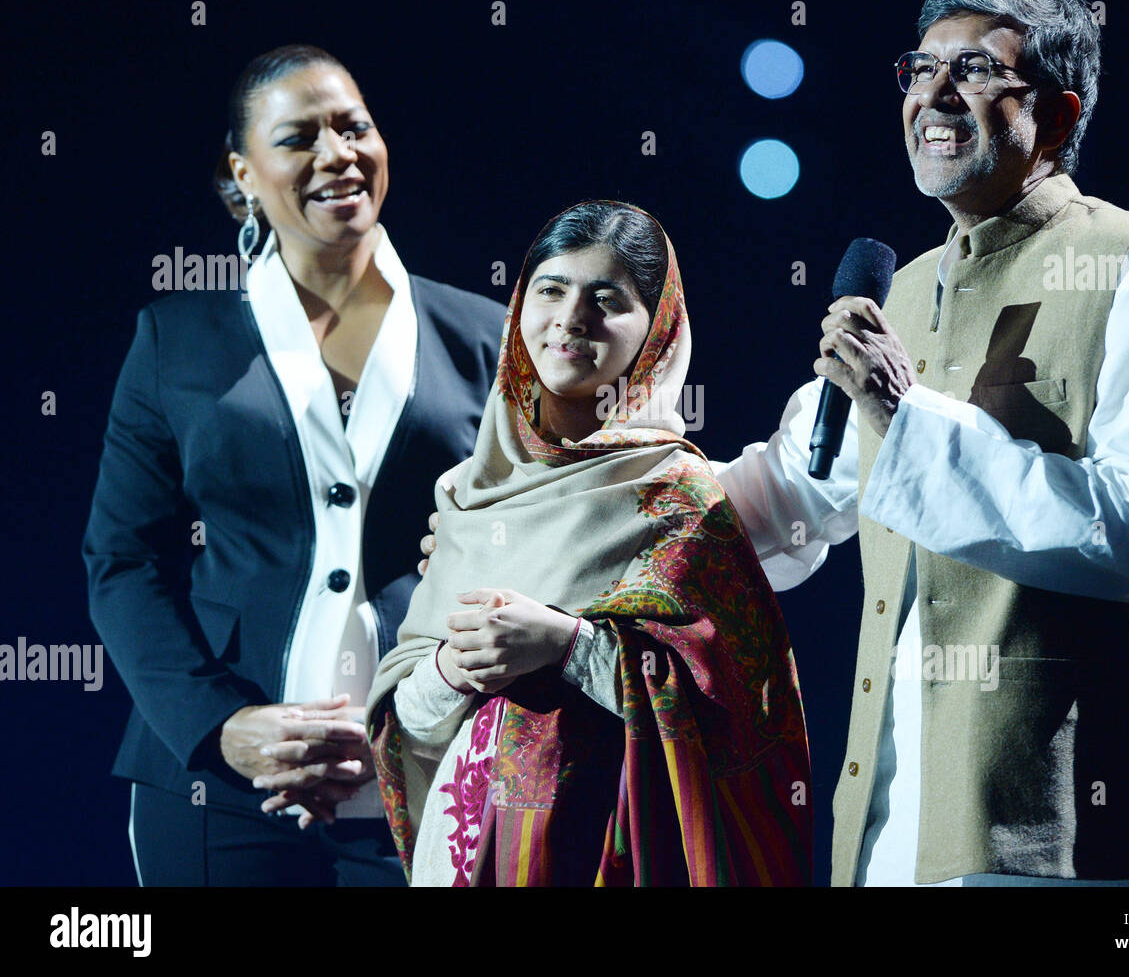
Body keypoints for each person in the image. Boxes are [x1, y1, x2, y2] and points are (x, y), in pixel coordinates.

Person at [712, 0, 1129, 886]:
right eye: (918, 67)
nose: (930, 94)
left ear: (1055, 116)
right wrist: (585, 496)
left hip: (1094, 832)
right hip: (905, 823)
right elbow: (790, 498)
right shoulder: (903, 289)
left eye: (972, 70)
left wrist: (906, 414)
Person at [82, 44, 506, 886]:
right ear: (242, 172)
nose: (337, 154)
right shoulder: (175, 340)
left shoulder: (485, 334)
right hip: (218, 790)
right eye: (299, 137)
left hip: (424, 777)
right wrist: (220, 727)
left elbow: (532, 537)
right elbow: (123, 562)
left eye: (355, 127)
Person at [367, 200, 813, 886]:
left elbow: (741, 719)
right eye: (550, 290)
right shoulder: (469, 494)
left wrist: (566, 645)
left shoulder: (678, 498)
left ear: (656, 332)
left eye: (606, 300)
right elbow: (411, 727)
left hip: (613, 852)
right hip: (463, 853)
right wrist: (454, 670)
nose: (570, 319)